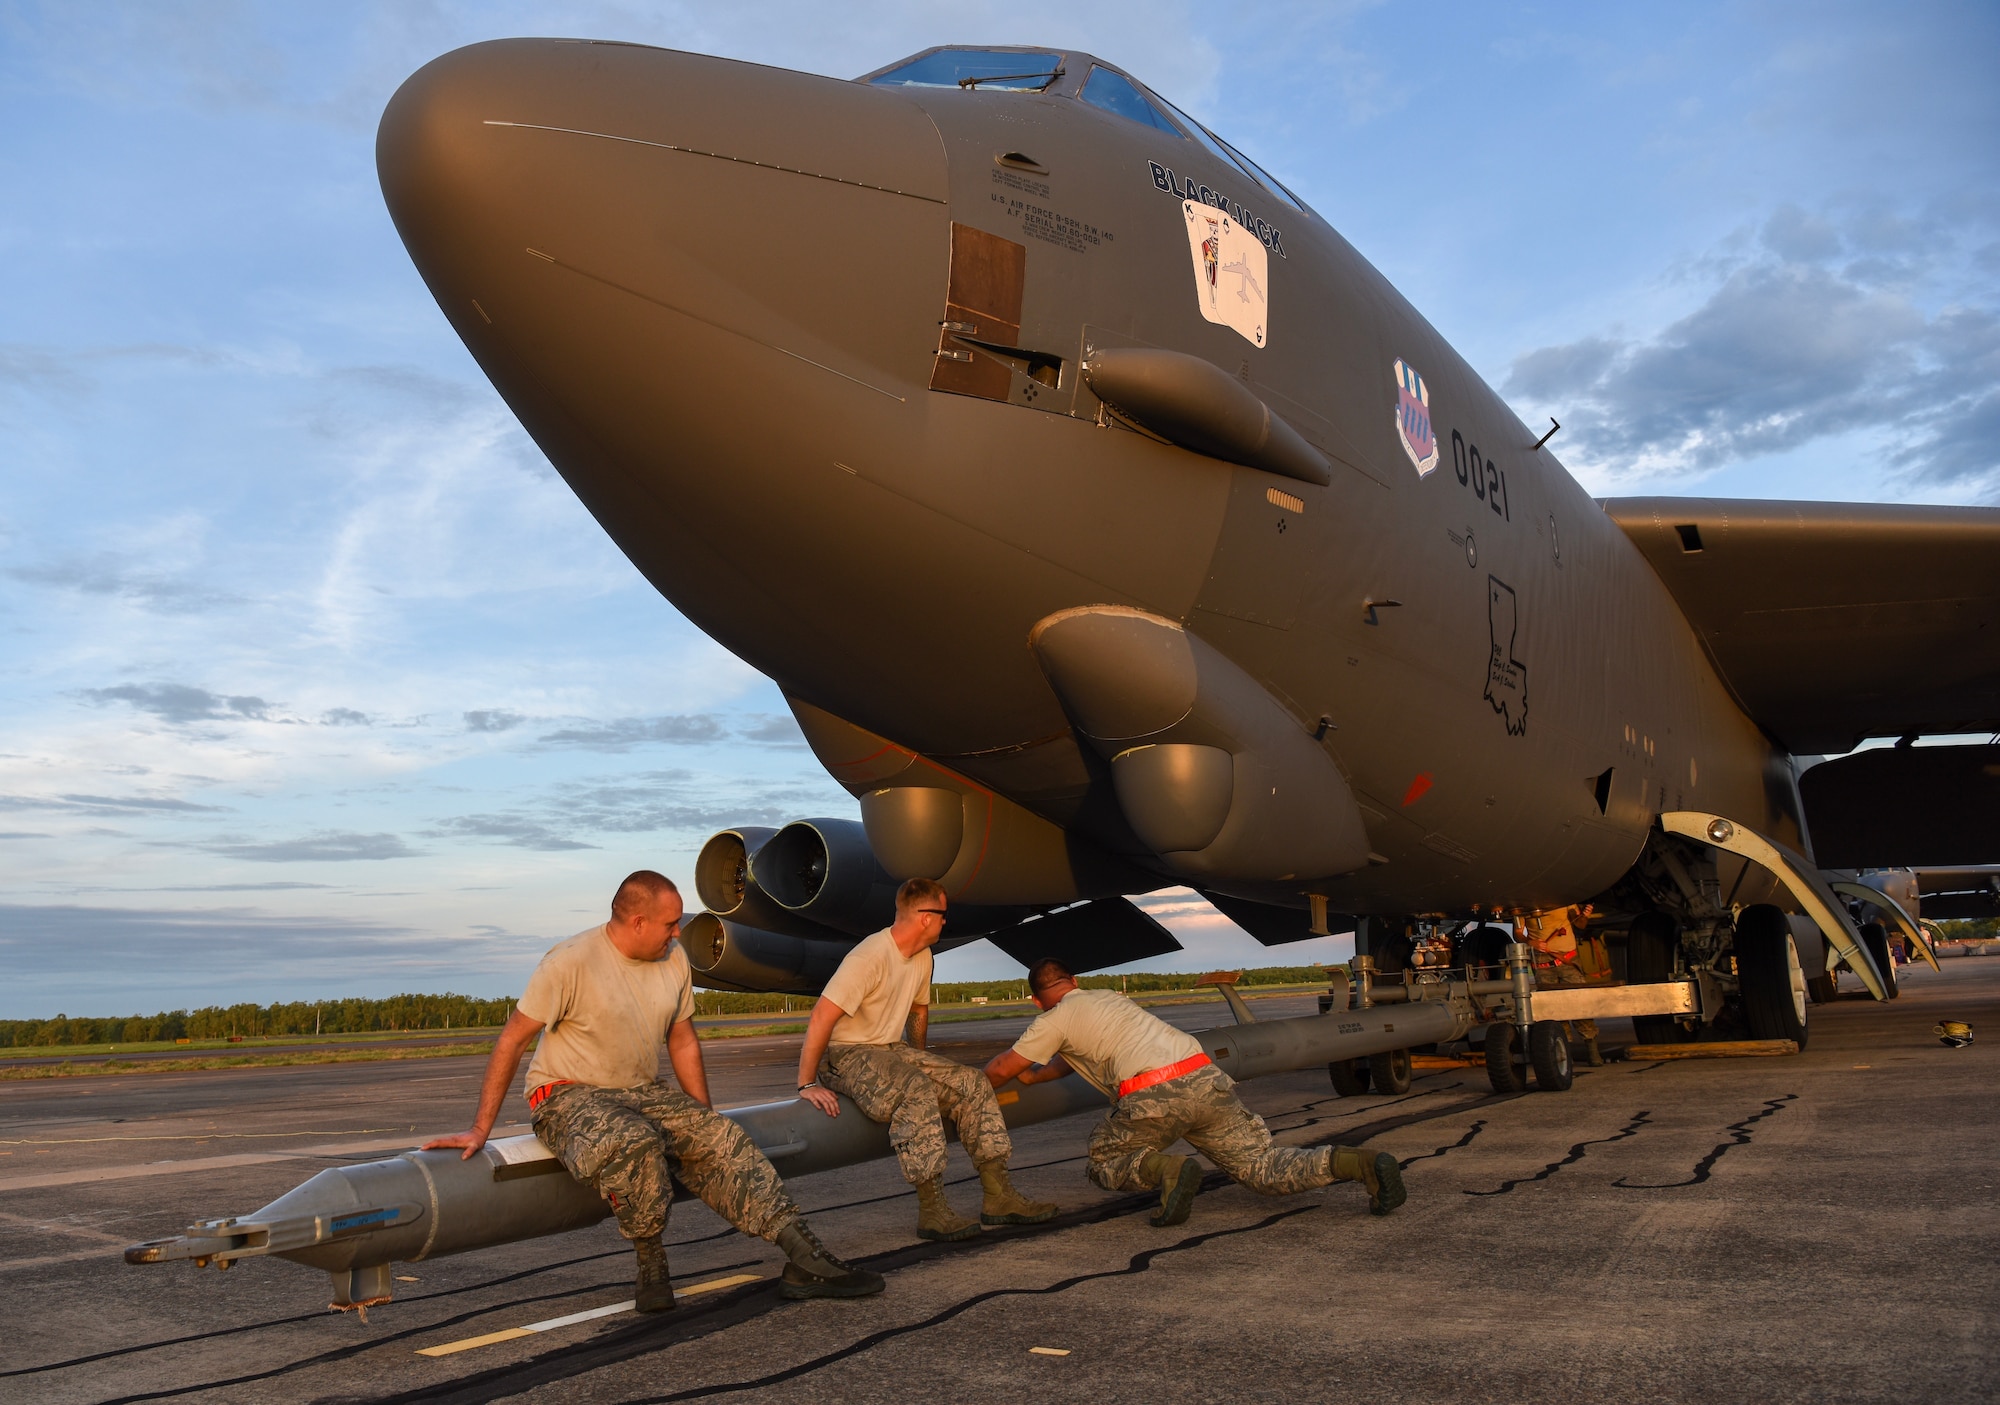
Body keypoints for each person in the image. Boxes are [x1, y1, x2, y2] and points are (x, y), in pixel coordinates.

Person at [425, 870, 882, 1311]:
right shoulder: (569, 961)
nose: (678, 934)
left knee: (723, 1139)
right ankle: (651, 1265)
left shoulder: (674, 960)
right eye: (670, 924)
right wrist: (480, 1127)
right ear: (637, 922)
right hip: (566, 1093)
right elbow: (513, 1040)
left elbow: (682, 1039)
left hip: (640, 1090)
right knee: (633, 1142)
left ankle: (806, 1259)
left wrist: (704, 1118)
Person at [981, 958, 1406, 1227]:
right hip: (1206, 1078)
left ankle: (1168, 1172)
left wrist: (972, 1091)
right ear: (1074, 981)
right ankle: (1360, 1164)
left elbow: (1003, 1067)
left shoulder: (1053, 1019)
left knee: (1104, 1159)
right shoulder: (1106, 997)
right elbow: (1074, 1052)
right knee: (1263, 1167)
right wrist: (1041, 1077)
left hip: (1154, 1095)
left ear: (1038, 1001)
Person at [796, 878, 1058, 1241]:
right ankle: (932, 1211)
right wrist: (807, 1083)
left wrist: (915, 1059)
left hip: (890, 1049)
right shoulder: (869, 955)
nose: (945, 922)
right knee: (916, 1090)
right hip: (848, 1054)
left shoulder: (921, 956)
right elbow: (822, 1016)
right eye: (943, 914)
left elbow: (919, 1009)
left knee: (971, 1083)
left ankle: (1000, 1198)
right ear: (924, 917)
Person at [1525, 904, 1608, 1064]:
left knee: (1580, 1004)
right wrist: (1532, 942)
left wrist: (1585, 915)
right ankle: (1564, 1052)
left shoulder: (1564, 901)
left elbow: (1580, 924)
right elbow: (1518, 933)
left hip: (1568, 961)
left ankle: (1592, 1048)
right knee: (1553, 1010)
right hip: (1543, 966)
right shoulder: (1524, 903)